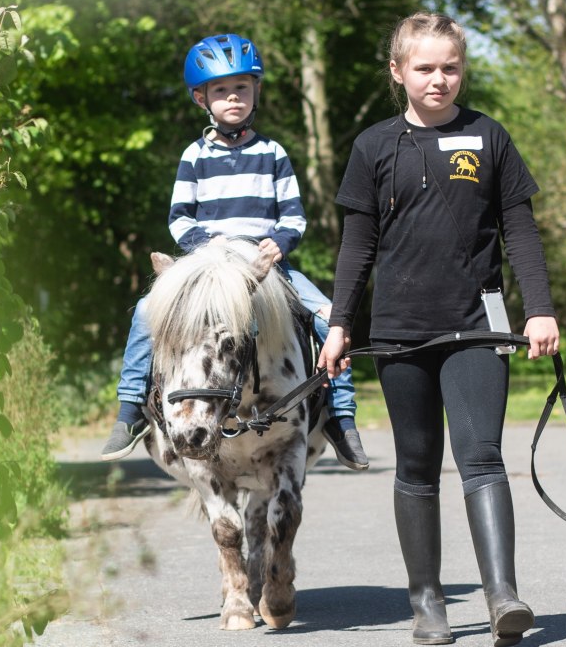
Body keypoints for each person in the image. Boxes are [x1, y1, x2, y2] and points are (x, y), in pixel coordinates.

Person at [318, 12, 560, 647]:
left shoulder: (489, 137)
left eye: (450, 67)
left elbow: (521, 231)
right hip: (399, 331)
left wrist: (539, 307)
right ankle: (427, 602)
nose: (439, 79)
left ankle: (503, 595)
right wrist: (341, 323)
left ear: (462, 69)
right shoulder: (373, 146)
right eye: (424, 68)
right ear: (398, 73)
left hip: (477, 324)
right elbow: (358, 245)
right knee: (418, 465)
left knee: (482, 456)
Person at [102, 33, 367, 470]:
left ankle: (342, 416)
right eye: (221, 90)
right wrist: (204, 247)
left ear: (256, 91)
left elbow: (294, 218)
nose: (233, 98)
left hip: (265, 266)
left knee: (327, 317)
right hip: (210, 266)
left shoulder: (273, 153)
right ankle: (131, 407)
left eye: (241, 87)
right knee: (147, 311)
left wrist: (278, 244)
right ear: (200, 98)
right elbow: (180, 218)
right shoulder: (194, 156)